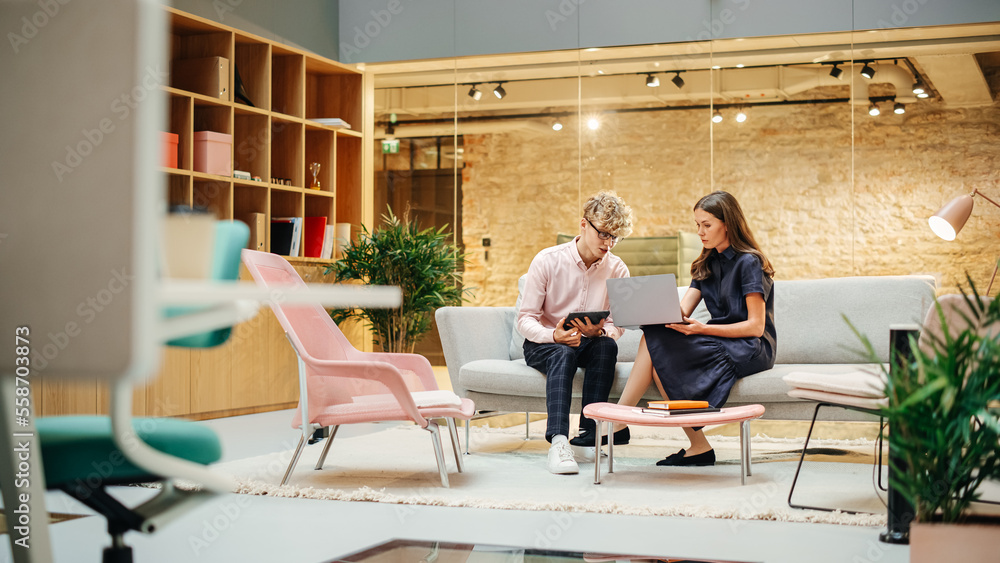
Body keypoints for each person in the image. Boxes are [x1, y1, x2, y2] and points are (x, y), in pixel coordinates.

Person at [614, 190, 776, 467]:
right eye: (697, 225)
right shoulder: (706, 262)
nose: (700, 232)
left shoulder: (749, 262)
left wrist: (702, 330)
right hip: (718, 340)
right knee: (655, 338)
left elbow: (756, 327)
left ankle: (617, 421)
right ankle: (695, 446)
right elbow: (681, 312)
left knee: (656, 347)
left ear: (728, 223)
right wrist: (650, 312)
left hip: (749, 347)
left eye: (707, 225)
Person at [517, 191, 634, 474]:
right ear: (584, 225)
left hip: (588, 343)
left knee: (607, 348)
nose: (609, 243)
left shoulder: (617, 269)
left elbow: (618, 323)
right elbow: (525, 319)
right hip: (545, 343)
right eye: (604, 234)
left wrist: (601, 332)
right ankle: (558, 441)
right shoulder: (547, 261)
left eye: (615, 237)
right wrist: (553, 336)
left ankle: (588, 435)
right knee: (563, 353)